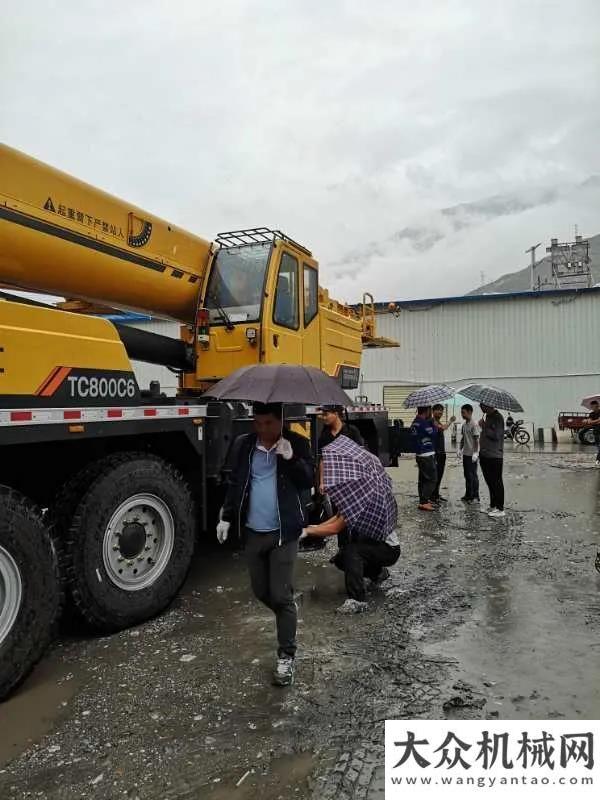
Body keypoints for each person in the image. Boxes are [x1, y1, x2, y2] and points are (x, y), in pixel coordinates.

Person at [216, 402, 314, 686]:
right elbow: (236, 483)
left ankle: (286, 655)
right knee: (261, 591)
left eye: (268, 423)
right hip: (253, 532)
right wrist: (226, 516)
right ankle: (289, 615)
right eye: (257, 423)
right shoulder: (245, 445)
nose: (262, 429)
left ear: (280, 421)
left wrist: (292, 459)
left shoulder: (297, 442)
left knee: (281, 596)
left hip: (284, 533)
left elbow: (307, 480)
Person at [302, 514, 400, 612]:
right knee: (341, 559)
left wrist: (307, 531)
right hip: (373, 544)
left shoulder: (358, 505)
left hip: (388, 549)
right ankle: (377, 573)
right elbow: (338, 516)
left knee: (351, 552)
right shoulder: (353, 503)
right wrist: (317, 527)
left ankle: (357, 600)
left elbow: (335, 528)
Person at [318, 406, 364, 494]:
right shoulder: (325, 435)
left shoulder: (351, 431)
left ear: (336, 414)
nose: (324, 418)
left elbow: (360, 454)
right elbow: (323, 460)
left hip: (350, 478)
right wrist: (322, 482)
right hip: (332, 480)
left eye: (326, 415)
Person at [479, 403, 505, 518]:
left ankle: (500, 508)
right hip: (485, 454)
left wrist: (484, 426)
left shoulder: (498, 418)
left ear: (489, 406)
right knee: (490, 482)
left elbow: (497, 435)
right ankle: (493, 505)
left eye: (482, 405)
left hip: (495, 455)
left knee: (497, 482)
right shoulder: (487, 417)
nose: (481, 407)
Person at [410, 406, 437, 511]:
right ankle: (424, 501)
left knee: (422, 479)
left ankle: (423, 500)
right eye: (430, 410)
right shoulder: (423, 423)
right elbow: (433, 434)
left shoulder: (415, 422)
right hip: (427, 454)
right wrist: (434, 425)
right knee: (432, 479)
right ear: (426, 411)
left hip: (419, 454)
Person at [431, 404, 456, 503]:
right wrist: (450, 421)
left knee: (440, 475)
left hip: (441, 452)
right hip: (436, 453)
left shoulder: (438, 421)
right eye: (438, 410)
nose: (440, 412)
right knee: (435, 475)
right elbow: (442, 428)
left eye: (441, 410)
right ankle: (433, 496)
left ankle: (436, 494)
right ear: (433, 411)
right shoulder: (432, 421)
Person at [459, 403, 480, 503]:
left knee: (473, 475)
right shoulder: (464, 425)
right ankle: (468, 495)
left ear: (470, 412)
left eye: (463, 413)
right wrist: (459, 449)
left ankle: (475, 496)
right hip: (466, 454)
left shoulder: (474, 424)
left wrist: (476, 453)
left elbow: (476, 439)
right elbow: (463, 438)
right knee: (467, 475)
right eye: (461, 413)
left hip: (472, 455)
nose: (462, 415)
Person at [584, 400, 600, 466]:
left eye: (595, 406)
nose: (593, 408)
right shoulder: (591, 414)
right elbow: (590, 422)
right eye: (592, 407)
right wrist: (598, 420)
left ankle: (597, 461)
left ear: (597, 405)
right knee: (599, 448)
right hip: (596, 432)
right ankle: (598, 461)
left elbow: (590, 422)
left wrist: (592, 421)